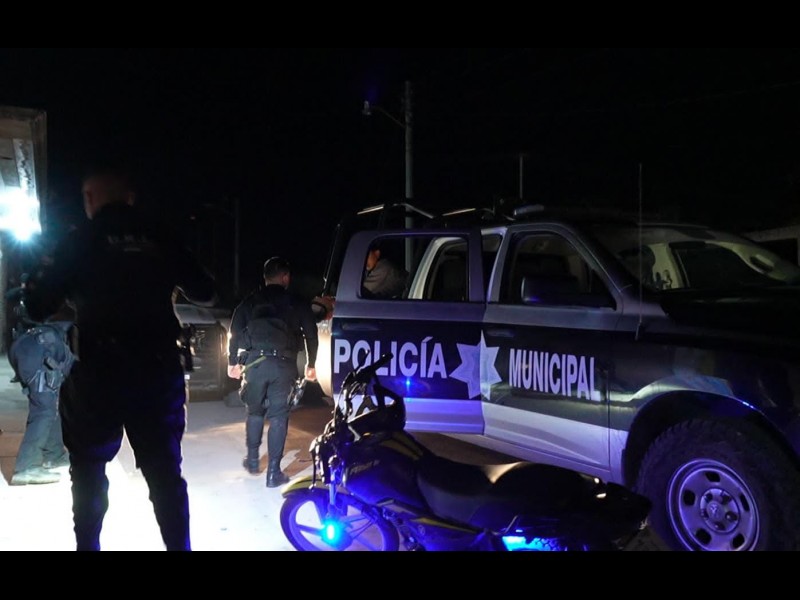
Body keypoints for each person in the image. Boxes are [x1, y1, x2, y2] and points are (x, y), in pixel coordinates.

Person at [25, 164, 217, 551]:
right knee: (165, 474)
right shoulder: (161, 235)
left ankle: (88, 546)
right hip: (156, 370)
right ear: (130, 197)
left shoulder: (78, 240)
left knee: (88, 471)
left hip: (98, 373)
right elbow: (207, 293)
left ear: (89, 198)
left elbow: (36, 304)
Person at [227, 257, 318, 487]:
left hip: (255, 363)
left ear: (265, 278)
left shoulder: (250, 301)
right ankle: (273, 473)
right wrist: (311, 364)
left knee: (254, 412)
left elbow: (234, 332)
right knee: (278, 415)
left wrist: (232, 362)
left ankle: (253, 462)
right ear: (285, 277)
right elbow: (311, 334)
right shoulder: (296, 302)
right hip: (283, 365)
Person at [7, 308, 75, 486]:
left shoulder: (53, 324)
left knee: (51, 407)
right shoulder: (66, 327)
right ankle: (26, 467)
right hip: (39, 351)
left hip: (25, 346)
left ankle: (53, 455)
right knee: (44, 410)